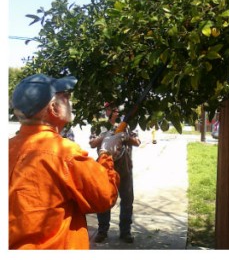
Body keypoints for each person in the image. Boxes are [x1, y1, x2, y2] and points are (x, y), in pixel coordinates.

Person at [9, 74, 121, 249]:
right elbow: (105, 196)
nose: (71, 101)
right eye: (66, 97)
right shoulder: (64, 152)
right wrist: (106, 153)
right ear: (54, 108)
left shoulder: (8, 148)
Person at [89, 104, 141, 244]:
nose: (113, 111)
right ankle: (102, 231)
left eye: (115, 108)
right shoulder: (99, 126)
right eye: (110, 108)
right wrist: (105, 136)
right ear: (106, 110)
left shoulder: (127, 125)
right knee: (104, 199)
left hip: (124, 168)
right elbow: (92, 143)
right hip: (104, 167)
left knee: (127, 200)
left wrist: (124, 137)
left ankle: (125, 232)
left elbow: (137, 142)